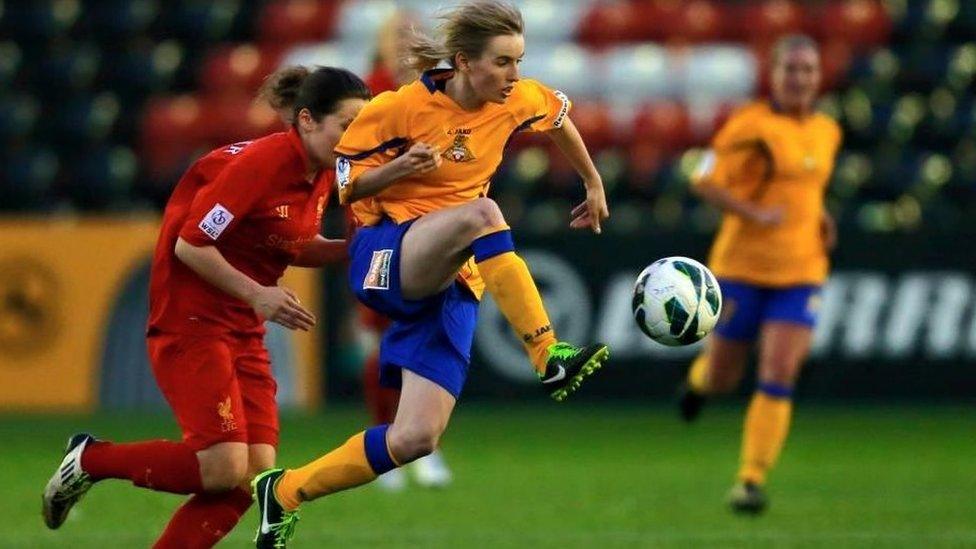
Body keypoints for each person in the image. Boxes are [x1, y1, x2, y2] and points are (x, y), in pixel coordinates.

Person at [251, 2, 611, 546]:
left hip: (452, 276)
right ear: (464, 62)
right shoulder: (400, 107)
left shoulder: (517, 99)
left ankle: (283, 493)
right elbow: (340, 185)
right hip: (386, 254)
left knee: (415, 437)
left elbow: (560, 119)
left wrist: (593, 183)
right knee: (485, 214)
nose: (515, 76)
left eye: (519, 61)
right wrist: (398, 169)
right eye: (503, 63)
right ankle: (548, 353)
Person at [41, 66, 371, 548]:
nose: (355, 138)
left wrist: (349, 248)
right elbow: (191, 245)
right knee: (222, 468)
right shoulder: (260, 164)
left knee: (254, 476)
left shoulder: (322, 172)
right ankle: (90, 460)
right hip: (192, 318)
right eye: (346, 125)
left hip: (242, 324)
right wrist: (260, 294)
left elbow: (291, 241)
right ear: (306, 120)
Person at [677, 35, 843, 514]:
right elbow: (703, 178)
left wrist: (821, 215)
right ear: (773, 74)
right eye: (791, 69)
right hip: (743, 269)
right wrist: (752, 212)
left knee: (778, 370)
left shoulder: (827, 130)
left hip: (802, 269)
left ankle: (749, 480)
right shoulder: (748, 125)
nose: (800, 78)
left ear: (818, 77)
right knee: (724, 375)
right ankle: (699, 382)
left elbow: (806, 186)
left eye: (808, 70)